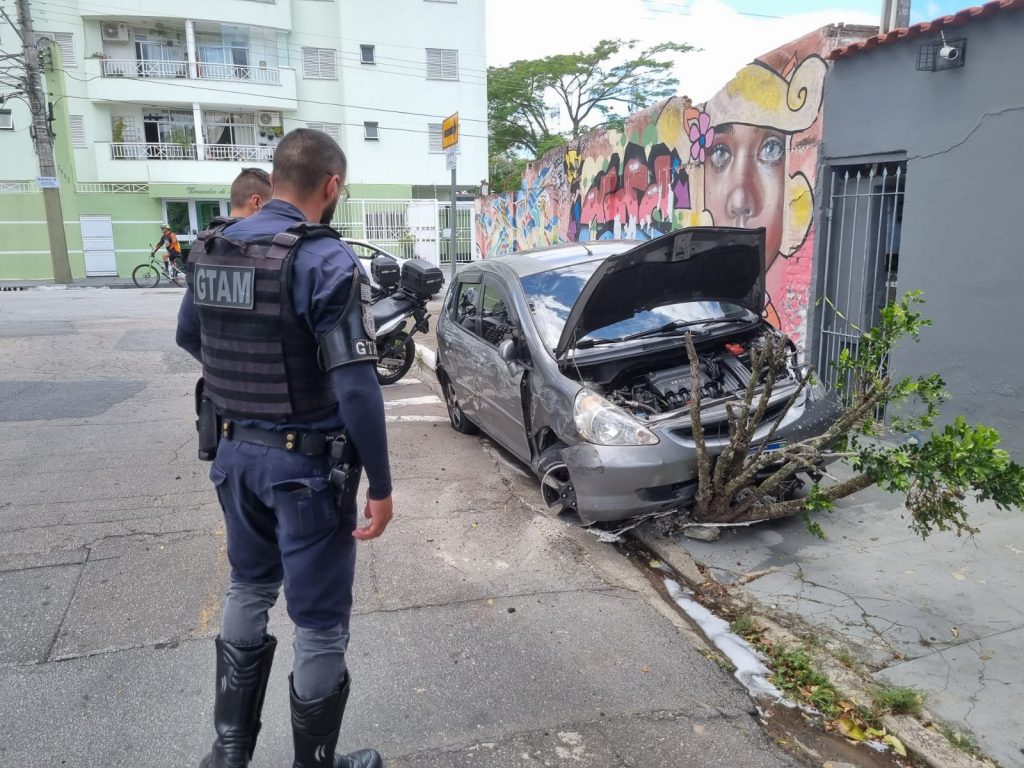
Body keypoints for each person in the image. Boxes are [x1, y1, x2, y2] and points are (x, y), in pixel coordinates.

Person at [176, 128, 392, 768]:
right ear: (332, 186)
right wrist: (380, 485)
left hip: (233, 456)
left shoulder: (214, 246)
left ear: (273, 181)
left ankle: (230, 752)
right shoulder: (325, 261)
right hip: (305, 469)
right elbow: (357, 388)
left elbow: (192, 336)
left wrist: (246, 394)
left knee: (248, 587)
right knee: (319, 619)